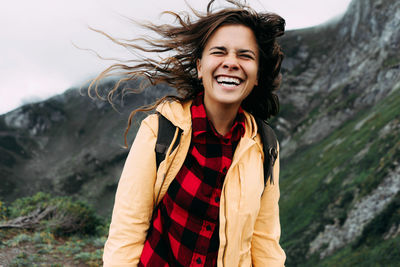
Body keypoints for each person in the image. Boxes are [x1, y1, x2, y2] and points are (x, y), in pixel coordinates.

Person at [94, 0, 286, 266]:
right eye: (219, 52)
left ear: (256, 76)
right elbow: (127, 230)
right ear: (199, 67)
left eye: (245, 55)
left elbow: (265, 243)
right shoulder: (161, 130)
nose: (231, 62)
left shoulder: (265, 146)